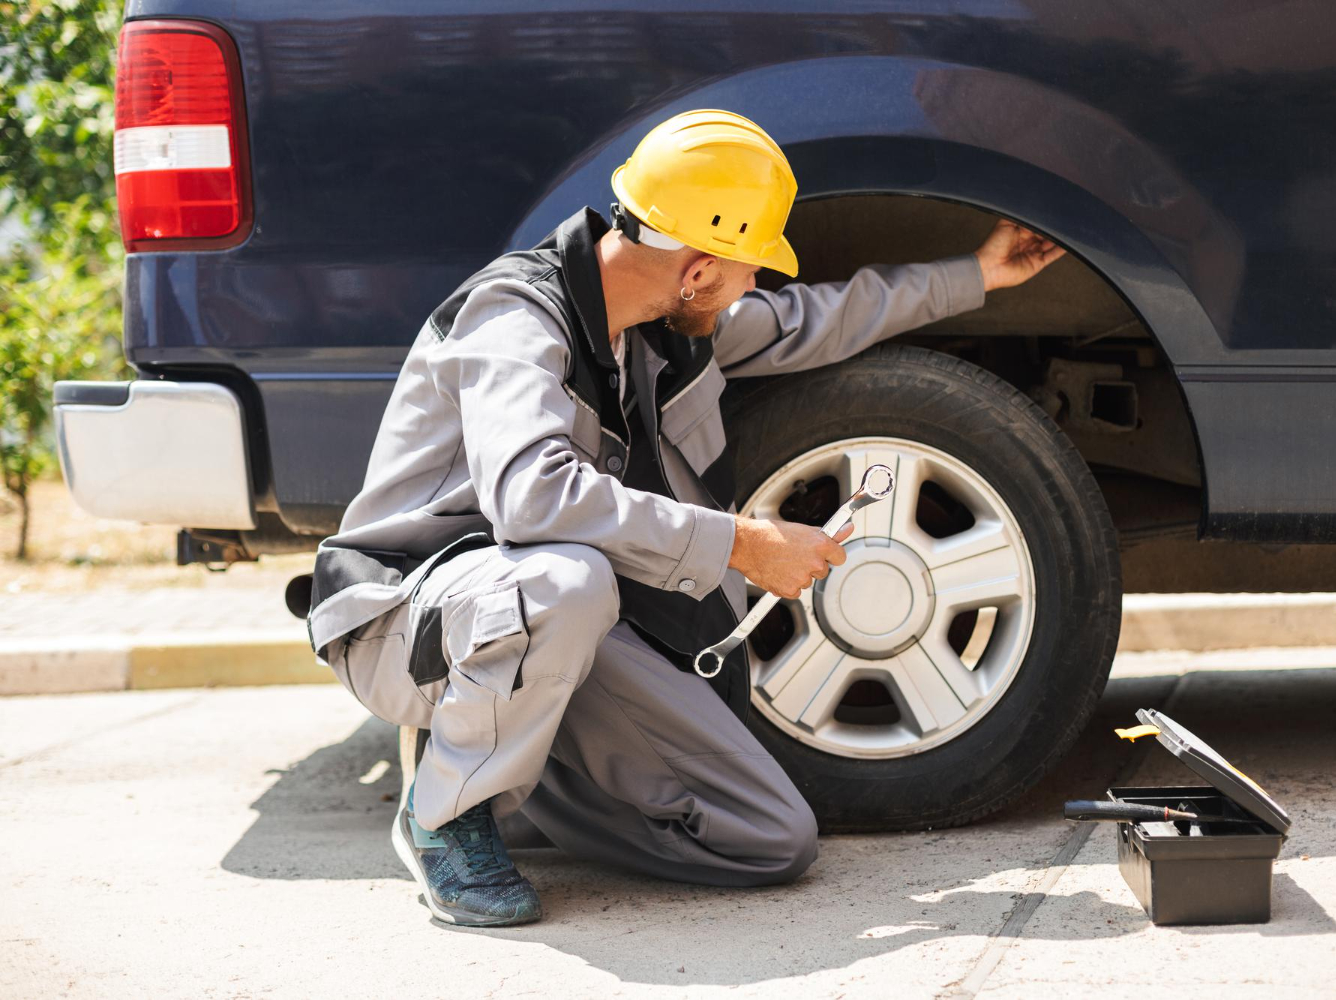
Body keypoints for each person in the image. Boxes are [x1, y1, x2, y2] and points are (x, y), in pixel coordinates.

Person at [305, 109, 1064, 927]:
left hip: (551, 626)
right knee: (570, 578)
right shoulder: (514, 319)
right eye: (749, 270)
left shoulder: (657, 326)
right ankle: (447, 816)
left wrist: (979, 273)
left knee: (771, 839)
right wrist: (741, 545)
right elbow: (531, 496)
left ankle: (500, 763)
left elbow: (818, 318)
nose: (757, 286)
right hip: (415, 621)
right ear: (698, 269)